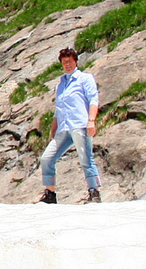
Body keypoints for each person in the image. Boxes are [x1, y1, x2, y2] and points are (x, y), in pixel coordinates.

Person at [38, 46, 100, 203]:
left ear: (76, 62)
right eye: (64, 62)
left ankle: (94, 192)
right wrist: (53, 129)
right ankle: (50, 193)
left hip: (80, 124)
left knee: (86, 158)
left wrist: (91, 120)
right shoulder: (61, 84)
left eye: (70, 61)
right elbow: (58, 110)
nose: (67, 64)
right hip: (64, 128)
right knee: (47, 158)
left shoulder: (85, 79)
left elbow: (93, 99)